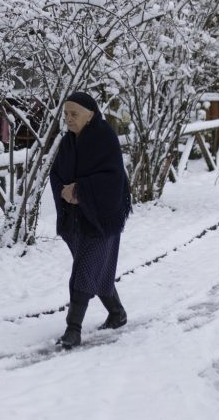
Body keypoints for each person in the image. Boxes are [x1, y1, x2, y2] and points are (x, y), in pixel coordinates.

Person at [49, 91, 131, 348]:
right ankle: (117, 313)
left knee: (85, 269)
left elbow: (113, 177)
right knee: (97, 267)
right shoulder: (68, 141)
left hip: (102, 217)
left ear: (90, 115)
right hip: (75, 219)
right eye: (66, 114)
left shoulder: (104, 138)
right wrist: (66, 192)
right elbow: (57, 173)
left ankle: (73, 329)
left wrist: (81, 191)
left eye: (74, 114)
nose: (69, 119)